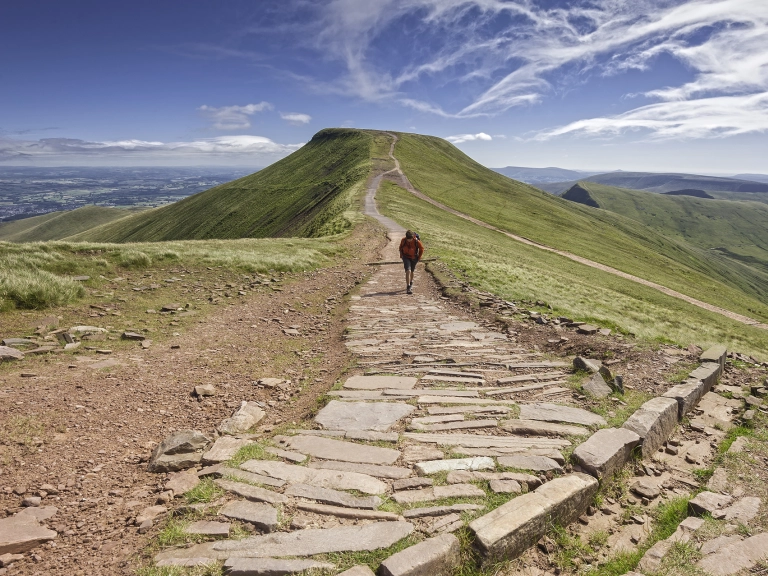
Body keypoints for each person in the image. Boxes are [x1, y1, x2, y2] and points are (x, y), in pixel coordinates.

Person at [399, 230, 424, 294]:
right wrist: (401, 255)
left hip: (414, 258)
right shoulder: (403, 240)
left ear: (413, 237)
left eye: (410, 239)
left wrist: (419, 257)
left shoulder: (416, 241)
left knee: (412, 271)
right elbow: (400, 247)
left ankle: (411, 281)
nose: (409, 240)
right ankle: (408, 286)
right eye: (408, 239)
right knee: (408, 271)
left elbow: (421, 249)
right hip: (406, 257)